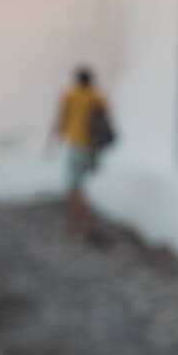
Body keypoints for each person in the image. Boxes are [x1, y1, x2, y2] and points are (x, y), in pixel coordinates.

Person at [50, 65, 108, 241]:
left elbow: (61, 119)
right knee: (80, 184)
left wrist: (55, 139)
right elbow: (105, 123)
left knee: (74, 186)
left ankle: (82, 221)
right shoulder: (98, 97)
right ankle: (79, 223)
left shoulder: (70, 95)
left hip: (76, 145)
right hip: (92, 148)